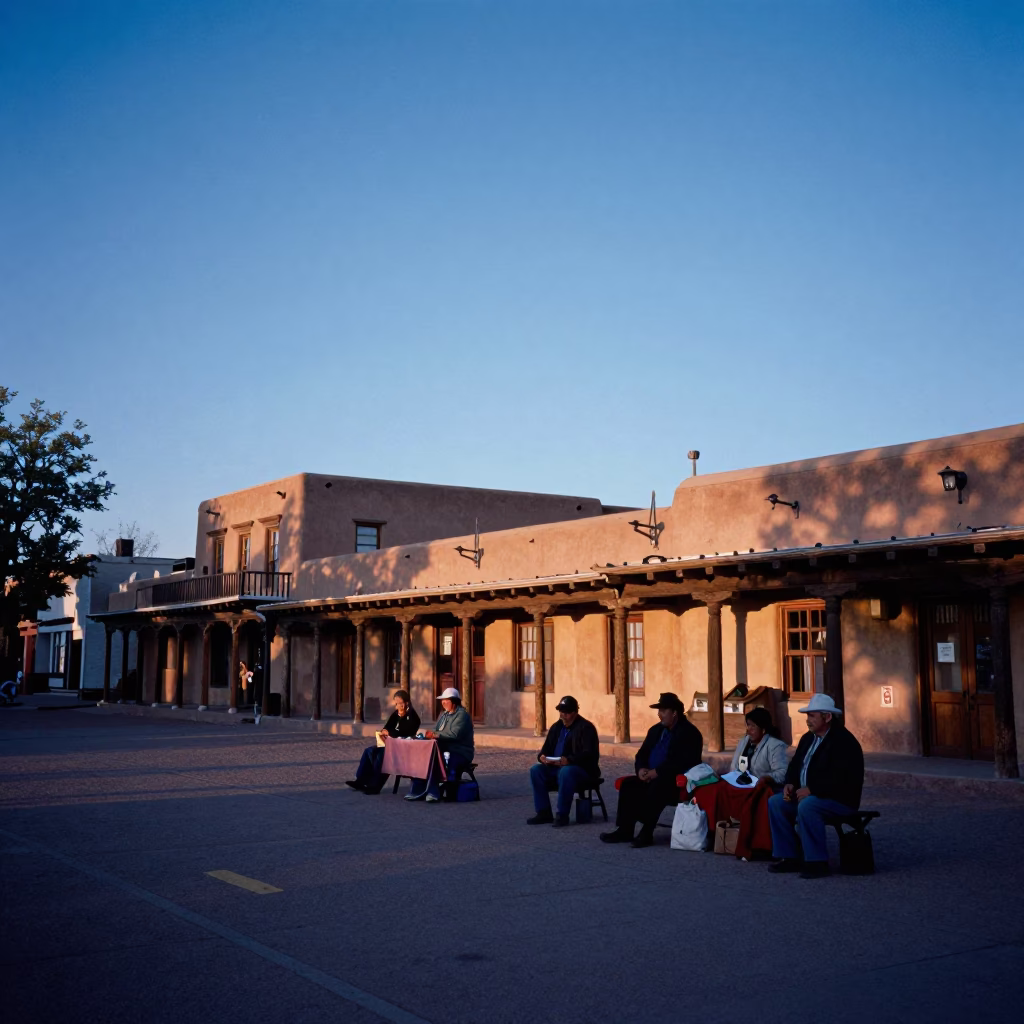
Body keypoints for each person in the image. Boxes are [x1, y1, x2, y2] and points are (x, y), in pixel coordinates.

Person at [767, 693, 864, 878]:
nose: (807, 720)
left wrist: (813, 790)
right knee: (776, 802)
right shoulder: (807, 739)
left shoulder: (844, 742)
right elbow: (795, 766)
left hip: (838, 800)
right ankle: (789, 857)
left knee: (808, 806)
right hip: (809, 795)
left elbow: (842, 778)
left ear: (827, 717)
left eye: (812, 716)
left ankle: (817, 861)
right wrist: (790, 784)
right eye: (807, 716)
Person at [600, 692, 703, 848]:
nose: (659, 715)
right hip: (651, 774)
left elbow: (682, 761)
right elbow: (642, 753)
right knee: (629, 785)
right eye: (658, 711)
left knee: (659, 785)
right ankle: (625, 829)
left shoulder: (689, 733)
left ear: (674, 712)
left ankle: (647, 831)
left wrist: (658, 772)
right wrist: (641, 769)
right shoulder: (656, 730)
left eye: (663, 711)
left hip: (675, 780)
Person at [527, 695, 600, 827]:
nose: (563, 716)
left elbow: (588, 753)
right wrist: (543, 757)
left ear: (575, 713)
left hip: (580, 770)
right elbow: (545, 749)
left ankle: (562, 814)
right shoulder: (557, 727)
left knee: (566, 772)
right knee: (536, 770)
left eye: (566, 713)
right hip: (555, 767)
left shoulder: (586, 727)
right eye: (561, 712)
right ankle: (543, 812)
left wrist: (569, 760)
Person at [405, 687, 474, 803]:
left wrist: (435, 735)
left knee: (436, 759)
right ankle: (418, 788)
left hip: (460, 752)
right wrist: (429, 735)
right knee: (423, 756)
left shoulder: (462, 715)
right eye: (442, 700)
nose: (443, 703)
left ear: (454, 701)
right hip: (443, 749)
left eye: (446, 700)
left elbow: (454, 734)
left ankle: (433, 791)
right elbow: (435, 730)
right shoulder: (443, 715)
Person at [346, 690, 420, 794]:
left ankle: (374, 786)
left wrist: (391, 731)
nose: (397, 706)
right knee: (369, 751)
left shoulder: (413, 717)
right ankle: (360, 781)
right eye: (396, 703)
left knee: (382, 756)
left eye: (398, 703)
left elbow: (406, 731)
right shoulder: (396, 714)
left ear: (406, 703)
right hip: (390, 744)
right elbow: (387, 727)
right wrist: (384, 731)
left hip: (402, 748)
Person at [730, 707, 788, 783]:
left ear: (763, 730)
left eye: (753, 726)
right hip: (740, 783)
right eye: (748, 725)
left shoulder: (775, 746)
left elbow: (782, 773)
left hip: (761, 787)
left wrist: (765, 778)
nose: (748, 730)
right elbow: (734, 766)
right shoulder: (744, 741)